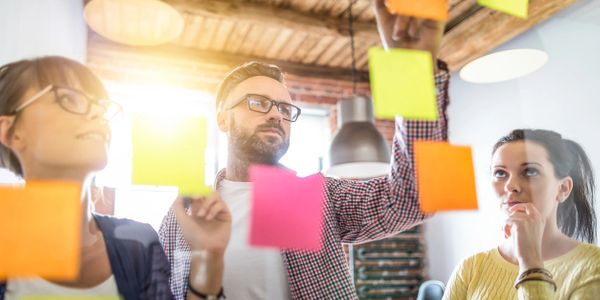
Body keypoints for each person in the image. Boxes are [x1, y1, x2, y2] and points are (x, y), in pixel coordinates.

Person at [158, 0, 450, 298]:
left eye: (285, 108)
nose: (276, 115)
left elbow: (415, 198)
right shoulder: (186, 214)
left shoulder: (311, 197)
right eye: (257, 103)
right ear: (223, 120)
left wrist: (414, 73)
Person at [0, 56, 231, 300]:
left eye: (100, 105)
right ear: (12, 132)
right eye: (68, 98)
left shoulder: (138, 243)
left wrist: (209, 257)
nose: (99, 113)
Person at [443, 129, 600, 299]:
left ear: (563, 188)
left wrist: (531, 263)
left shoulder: (593, 267)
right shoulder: (470, 268)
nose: (510, 186)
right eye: (500, 173)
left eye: (530, 171)